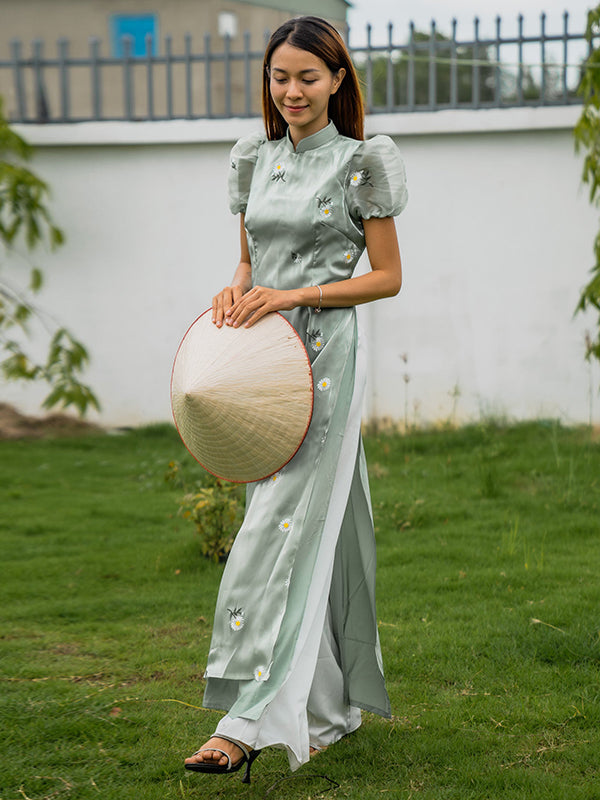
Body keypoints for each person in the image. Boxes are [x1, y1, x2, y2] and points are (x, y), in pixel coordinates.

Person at [184, 14, 408, 782]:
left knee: (273, 532)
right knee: (303, 525)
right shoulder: (256, 159)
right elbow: (250, 262)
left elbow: (387, 277)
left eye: (308, 77)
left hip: (326, 362)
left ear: (338, 79)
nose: (292, 91)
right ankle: (330, 709)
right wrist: (237, 288)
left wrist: (294, 296)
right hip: (264, 362)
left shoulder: (360, 163)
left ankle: (243, 720)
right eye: (280, 77)